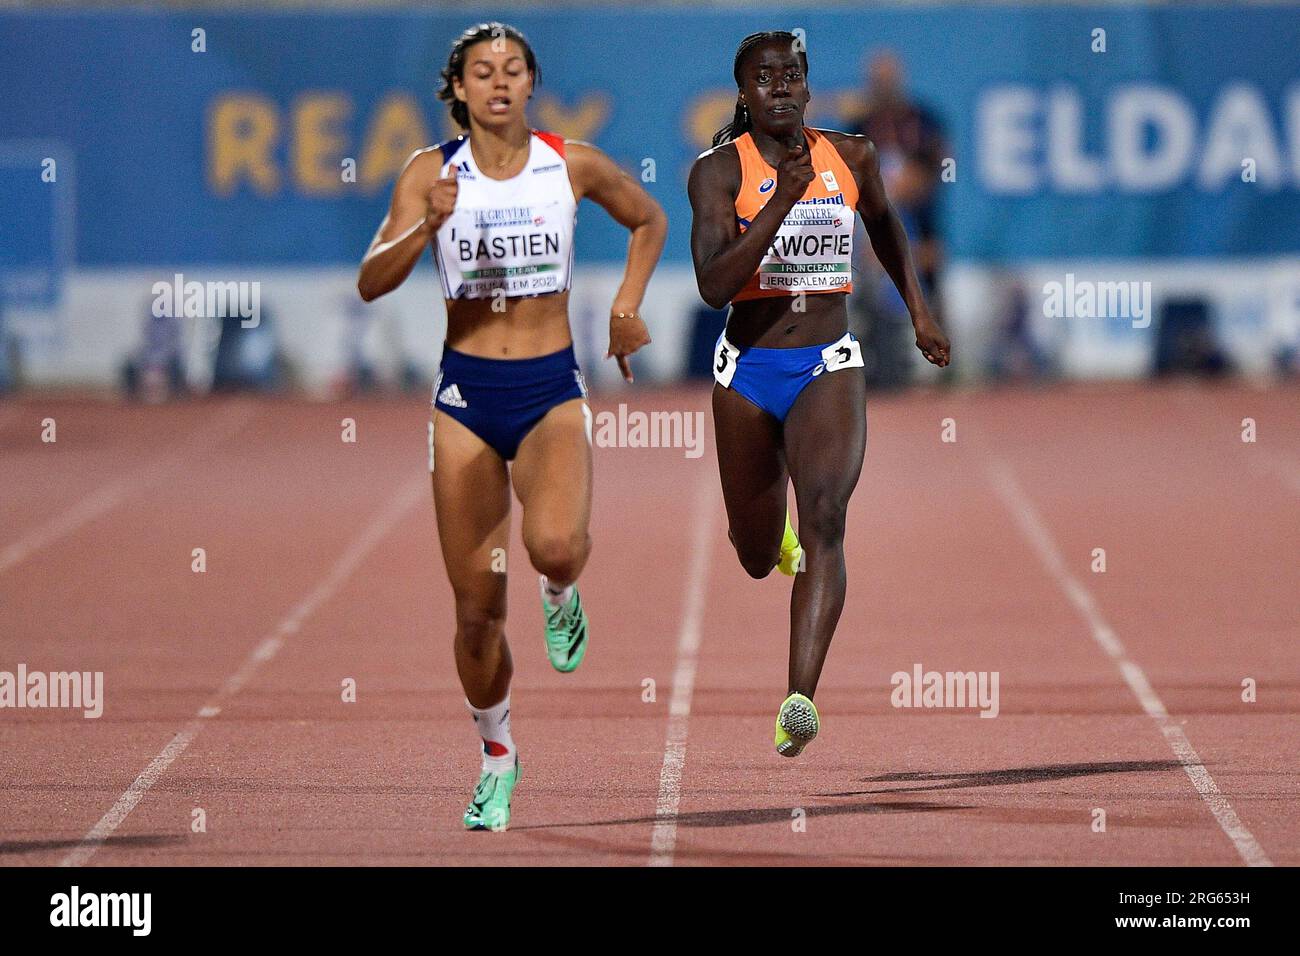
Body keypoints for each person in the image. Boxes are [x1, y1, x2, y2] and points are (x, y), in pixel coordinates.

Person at [357, 22, 666, 830]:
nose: (498, 82)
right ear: (456, 89)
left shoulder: (572, 163)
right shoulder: (430, 173)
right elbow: (370, 281)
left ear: (532, 83)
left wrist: (628, 308)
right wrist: (426, 224)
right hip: (465, 398)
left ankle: (561, 592)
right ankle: (498, 754)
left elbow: (649, 220)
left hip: (549, 388)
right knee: (475, 615)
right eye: (482, 72)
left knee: (555, 545)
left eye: (513, 69)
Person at [687, 31, 949, 758]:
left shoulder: (852, 156)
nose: (781, 88)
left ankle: (799, 698)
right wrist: (781, 204)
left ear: (807, 87)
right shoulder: (716, 174)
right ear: (743, 92)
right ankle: (775, 543)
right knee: (753, 551)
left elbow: (889, 228)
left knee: (828, 513)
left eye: (792, 76)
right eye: (765, 78)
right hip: (747, 371)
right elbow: (714, 286)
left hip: (827, 362)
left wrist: (920, 310)